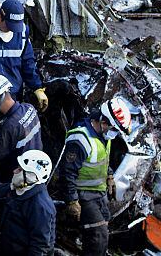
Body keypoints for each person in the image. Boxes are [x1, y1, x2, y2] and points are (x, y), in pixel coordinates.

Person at [55, 97, 132, 256]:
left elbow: (101, 158)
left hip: (98, 192)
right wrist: (72, 201)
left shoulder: (104, 135)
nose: (115, 134)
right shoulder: (80, 140)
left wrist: (109, 175)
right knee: (98, 236)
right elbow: (67, 172)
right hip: (83, 194)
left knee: (104, 225)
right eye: (114, 129)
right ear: (103, 122)